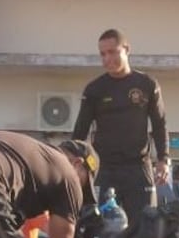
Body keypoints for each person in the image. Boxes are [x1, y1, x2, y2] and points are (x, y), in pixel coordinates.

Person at [72, 28, 169, 226]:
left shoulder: (147, 84)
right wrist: (74, 164)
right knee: (100, 229)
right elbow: (80, 132)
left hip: (138, 169)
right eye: (102, 54)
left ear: (126, 49)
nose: (107, 58)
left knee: (144, 228)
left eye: (112, 52)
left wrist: (163, 159)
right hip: (104, 170)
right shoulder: (94, 89)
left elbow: (159, 124)